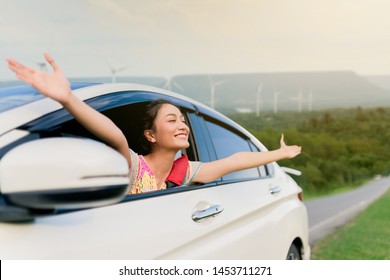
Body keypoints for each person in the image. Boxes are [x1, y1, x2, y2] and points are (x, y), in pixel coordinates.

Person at [6, 53, 302, 194]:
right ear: (150, 134)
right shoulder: (132, 165)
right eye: (172, 120)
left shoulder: (186, 173)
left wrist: (279, 154)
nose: (183, 125)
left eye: (183, 120)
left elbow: (237, 159)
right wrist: (68, 98)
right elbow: (115, 136)